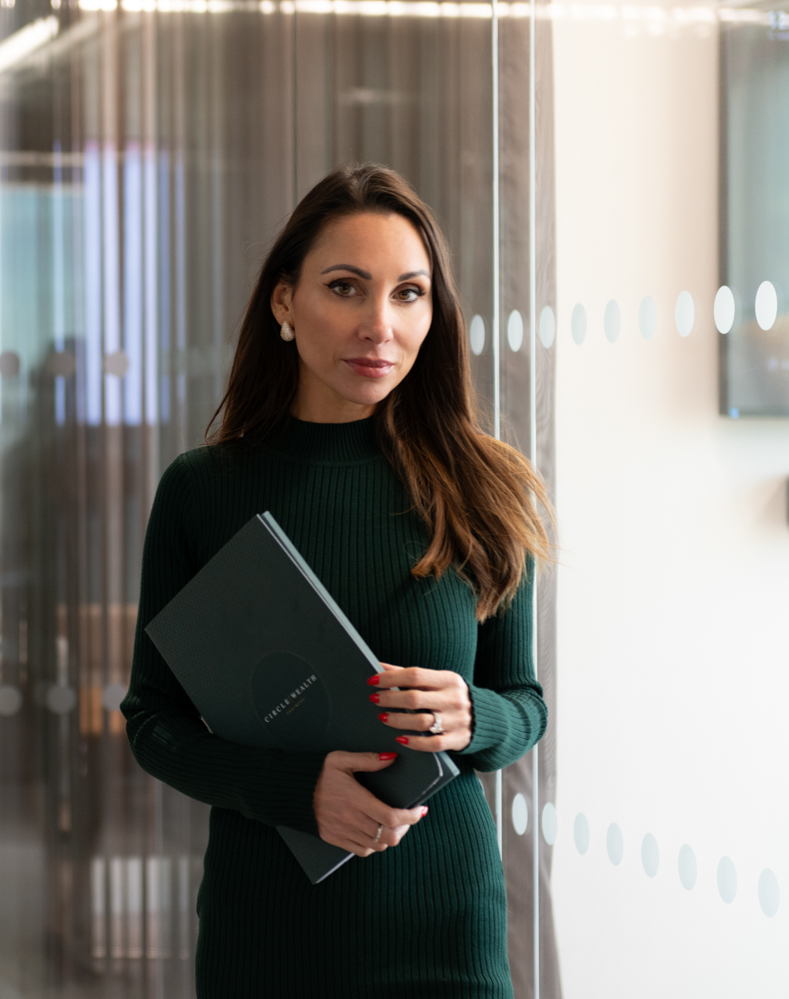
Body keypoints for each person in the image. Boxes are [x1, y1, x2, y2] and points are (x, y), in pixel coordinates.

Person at [120, 164, 550, 996]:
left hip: (445, 932)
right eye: (346, 287)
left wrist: (474, 714)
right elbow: (152, 719)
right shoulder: (204, 490)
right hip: (269, 931)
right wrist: (295, 792)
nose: (379, 325)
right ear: (284, 301)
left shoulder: (488, 486)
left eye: (408, 293)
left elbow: (525, 702)